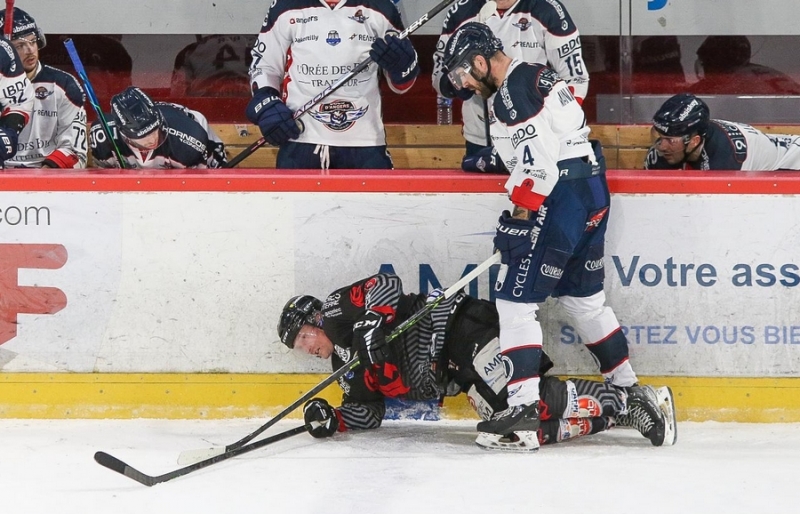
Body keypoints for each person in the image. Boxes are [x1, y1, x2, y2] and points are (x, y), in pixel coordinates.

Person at [438, 22, 666, 450]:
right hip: (591, 187)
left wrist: (520, 218)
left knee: (512, 300)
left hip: (559, 198)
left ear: (482, 61)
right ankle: (632, 392)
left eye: (463, 73)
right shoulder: (536, 73)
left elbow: (538, 167)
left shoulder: (508, 95)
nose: (464, 84)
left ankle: (522, 409)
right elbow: (555, 137)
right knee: (584, 301)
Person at [279, 273, 677, 452]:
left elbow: (386, 284)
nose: (306, 349)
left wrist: (370, 322)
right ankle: (623, 414)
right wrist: (336, 419)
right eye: (299, 347)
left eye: (302, 338)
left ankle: (632, 398)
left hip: (459, 329)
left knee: (525, 408)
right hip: (456, 372)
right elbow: (370, 412)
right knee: (517, 434)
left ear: (314, 320)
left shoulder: (335, 310)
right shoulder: (344, 373)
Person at [246, 0, 419, 170]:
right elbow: (264, 66)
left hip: (365, 143)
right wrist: (266, 103)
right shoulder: (285, 6)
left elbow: (401, 85)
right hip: (300, 139)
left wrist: (402, 66)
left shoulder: (381, 6)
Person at [432, 0, 589, 173]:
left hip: (537, 137)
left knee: (535, 191)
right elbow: (439, 75)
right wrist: (457, 82)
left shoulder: (547, 10)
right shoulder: (461, 11)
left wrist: (553, 130)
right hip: (480, 139)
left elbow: (575, 79)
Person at [0, 8, 87, 169]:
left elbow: (74, 151)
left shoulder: (64, 85)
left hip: (46, 175)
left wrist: (45, 176)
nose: (30, 50)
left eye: (33, 41)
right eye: (19, 45)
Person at [645, 93, 800, 171]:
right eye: (659, 137)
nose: (662, 147)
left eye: (670, 140)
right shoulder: (662, 154)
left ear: (694, 141)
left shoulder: (725, 161)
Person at [89, 86, 227, 169]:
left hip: (199, 149)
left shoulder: (190, 139)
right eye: (142, 137)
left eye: (154, 132)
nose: (151, 140)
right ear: (124, 135)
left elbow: (203, 187)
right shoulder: (102, 135)